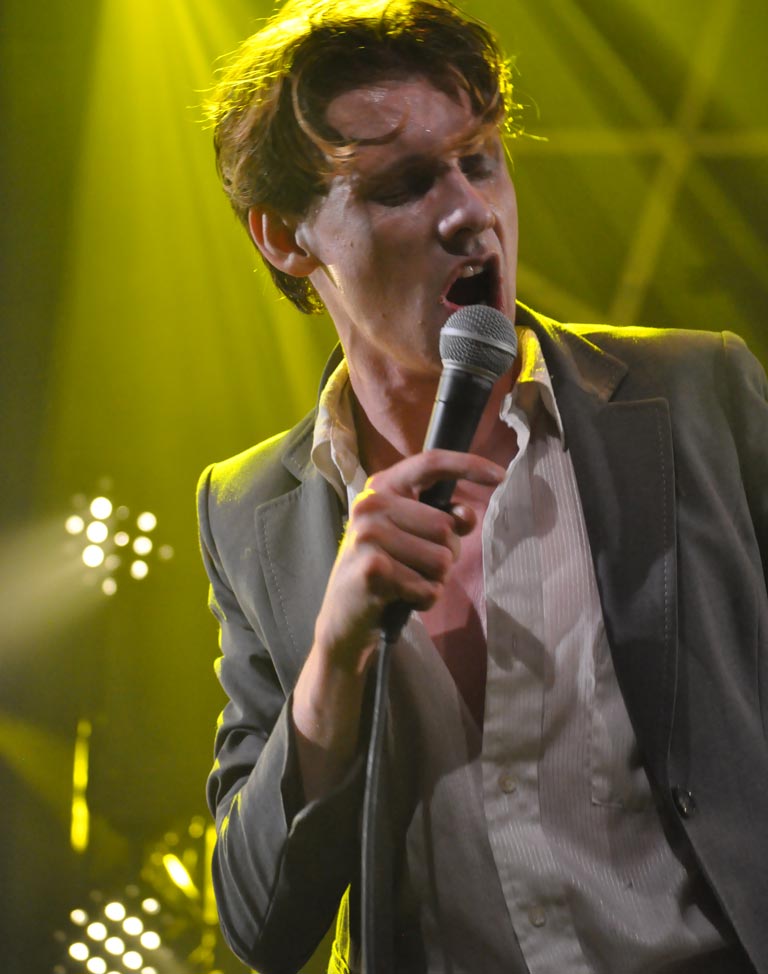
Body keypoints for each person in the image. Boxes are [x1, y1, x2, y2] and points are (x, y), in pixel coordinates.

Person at [196, 1, 768, 971]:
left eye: (481, 159)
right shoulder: (251, 511)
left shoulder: (697, 395)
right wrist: (332, 661)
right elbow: (262, 928)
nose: (469, 211)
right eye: (403, 184)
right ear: (284, 237)